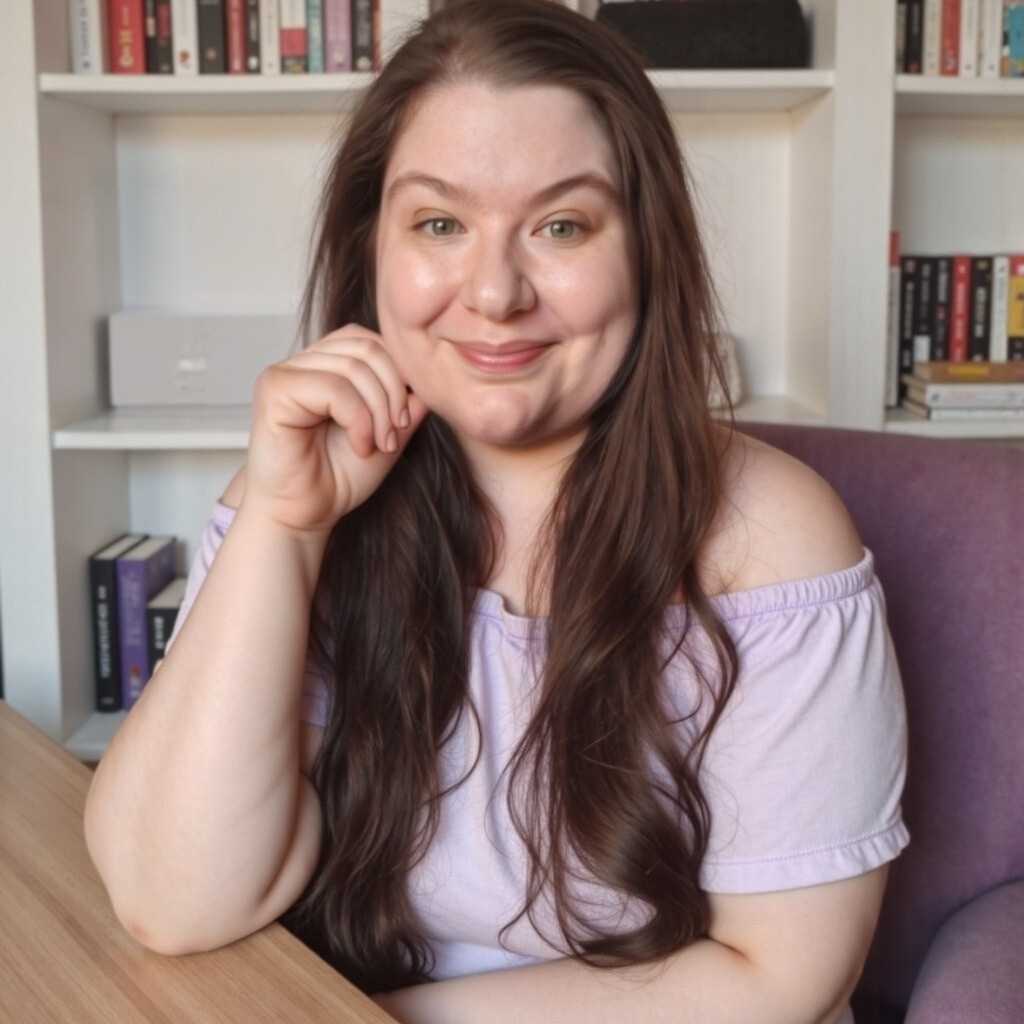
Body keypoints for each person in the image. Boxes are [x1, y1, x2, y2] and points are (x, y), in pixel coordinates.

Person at [84, 2, 909, 1022]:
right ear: (370, 249)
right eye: (439, 223)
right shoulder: (300, 490)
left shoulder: (773, 538)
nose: (493, 291)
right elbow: (173, 901)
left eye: (561, 225)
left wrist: (369, 1017)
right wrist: (283, 528)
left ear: (646, 251)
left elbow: (777, 977)